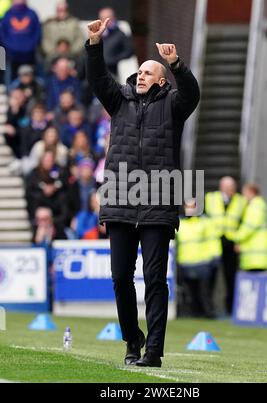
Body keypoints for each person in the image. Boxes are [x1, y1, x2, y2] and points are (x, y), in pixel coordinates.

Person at [86, 18, 200, 367]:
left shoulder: (174, 105)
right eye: (138, 73)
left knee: (154, 280)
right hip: (121, 199)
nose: (140, 76)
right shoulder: (118, 100)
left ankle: (152, 351)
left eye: (148, 73)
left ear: (162, 80)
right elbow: (97, 78)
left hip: (157, 203)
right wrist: (94, 43)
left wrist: (177, 63)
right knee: (121, 278)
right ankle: (132, 339)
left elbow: (192, 93)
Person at [205, 177, 247, 315]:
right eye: (228, 187)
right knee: (211, 276)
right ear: (221, 187)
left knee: (231, 277)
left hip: (231, 244)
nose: (231, 190)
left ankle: (230, 308)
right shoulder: (210, 198)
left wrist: (239, 240)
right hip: (214, 243)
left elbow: (245, 221)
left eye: (233, 187)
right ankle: (208, 308)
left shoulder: (241, 201)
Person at [176, 200, 221, 318]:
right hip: (185, 262)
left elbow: (213, 240)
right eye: (188, 206)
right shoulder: (179, 222)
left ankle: (208, 312)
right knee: (190, 292)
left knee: (204, 291)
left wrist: (215, 258)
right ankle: (193, 312)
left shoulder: (205, 221)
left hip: (203, 262)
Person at [226, 184, 267, 272]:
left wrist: (232, 236)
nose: (243, 196)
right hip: (257, 258)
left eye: (244, 193)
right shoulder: (259, 205)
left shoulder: (255, 207)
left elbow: (247, 228)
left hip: (256, 259)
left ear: (251, 193)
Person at [0, 0, 41, 83]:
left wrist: (30, 46)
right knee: (11, 81)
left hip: (29, 55)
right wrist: (10, 46)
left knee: (30, 80)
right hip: (12, 55)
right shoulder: (7, 14)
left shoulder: (32, 14)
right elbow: (2, 34)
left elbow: (38, 33)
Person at [97, 7, 134, 76]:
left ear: (114, 18)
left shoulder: (120, 34)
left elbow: (129, 50)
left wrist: (114, 59)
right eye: (103, 19)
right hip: (94, 69)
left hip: (110, 70)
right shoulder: (97, 34)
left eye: (108, 18)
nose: (106, 21)